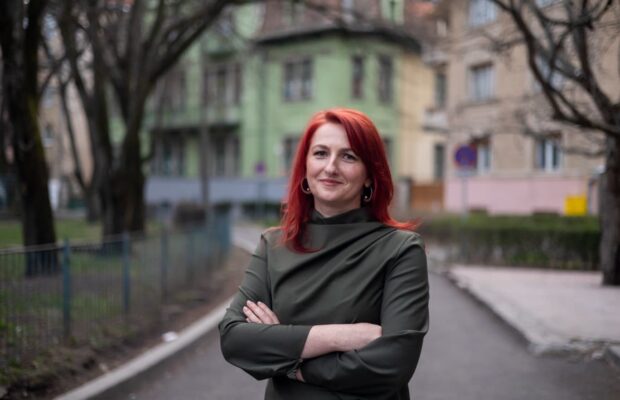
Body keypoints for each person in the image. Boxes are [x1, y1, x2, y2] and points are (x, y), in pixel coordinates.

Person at [219, 108, 429, 400]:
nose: (331, 167)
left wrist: (289, 358)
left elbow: (392, 364)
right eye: (320, 153)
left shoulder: (401, 249)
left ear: (370, 176)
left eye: (348, 156)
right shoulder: (274, 244)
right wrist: (338, 337)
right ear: (305, 167)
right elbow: (234, 338)